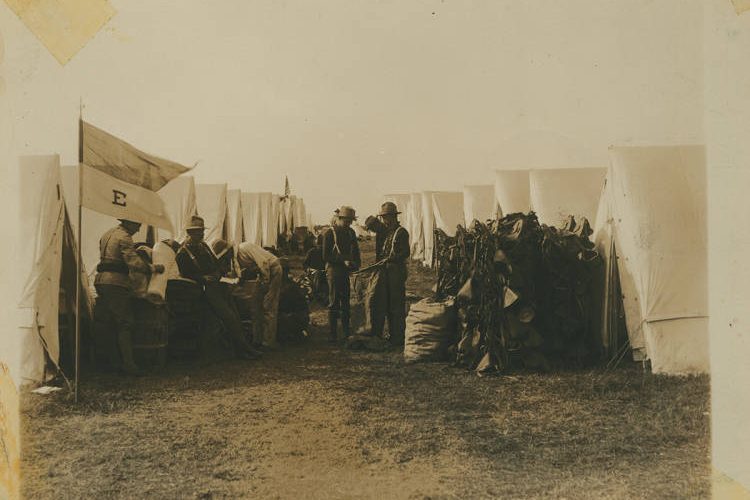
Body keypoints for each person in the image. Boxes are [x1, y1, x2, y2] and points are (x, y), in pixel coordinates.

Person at [175, 216, 259, 360]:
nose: (202, 234)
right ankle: (244, 350)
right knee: (229, 317)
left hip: (217, 285)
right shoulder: (183, 253)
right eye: (198, 231)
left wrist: (220, 273)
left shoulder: (204, 246)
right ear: (189, 232)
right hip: (203, 289)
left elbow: (215, 263)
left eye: (202, 230)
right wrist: (203, 278)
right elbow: (186, 274)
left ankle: (239, 348)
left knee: (234, 313)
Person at [94, 219, 165, 376]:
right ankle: (128, 364)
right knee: (124, 322)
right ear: (129, 223)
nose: (138, 229)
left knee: (108, 322)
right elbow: (133, 262)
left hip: (101, 280)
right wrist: (153, 268)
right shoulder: (124, 237)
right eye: (137, 225)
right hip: (115, 282)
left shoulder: (108, 234)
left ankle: (111, 363)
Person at [364, 202, 411, 347]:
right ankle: (387, 334)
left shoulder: (401, 232)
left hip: (396, 272)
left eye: (387, 217)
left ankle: (397, 337)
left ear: (394, 216)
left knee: (396, 305)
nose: (385, 220)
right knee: (384, 303)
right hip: (384, 272)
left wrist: (392, 258)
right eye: (383, 217)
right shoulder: (384, 233)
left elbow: (406, 252)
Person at [322, 206, 361, 342]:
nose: (348, 224)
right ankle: (333, 334)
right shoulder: (329, 233)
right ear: (339, 219)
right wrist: (342, 260)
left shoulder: (350, 232)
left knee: (346, 302)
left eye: (350, 221)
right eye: (346, 221)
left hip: (346, 271)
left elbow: (356, 251)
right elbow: (325, 256)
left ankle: (345, 332)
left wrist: (356, 264)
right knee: (334, 302)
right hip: (333, 271)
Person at [236, 241, 284, 350]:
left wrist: (265, 282)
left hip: (273, 270)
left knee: (269, 306)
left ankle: (268, 342)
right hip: (263, 274)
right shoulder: (235, 257)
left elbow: (264, 263)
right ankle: (257, 340)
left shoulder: (244, 247)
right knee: (255, 307)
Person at [277, 258, 310, 343]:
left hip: (294, 317)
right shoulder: (289, 284)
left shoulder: (289, 287)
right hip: (297, 316)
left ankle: (292, 334)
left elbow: (283, 306)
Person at [303, 238, 327, 302]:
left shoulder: (311, 251)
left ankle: (316, 294)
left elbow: (305, 264)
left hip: (320, 272)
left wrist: (307, 269)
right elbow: (305, 264)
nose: (320, 247)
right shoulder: (312, 251)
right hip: (316, 272)